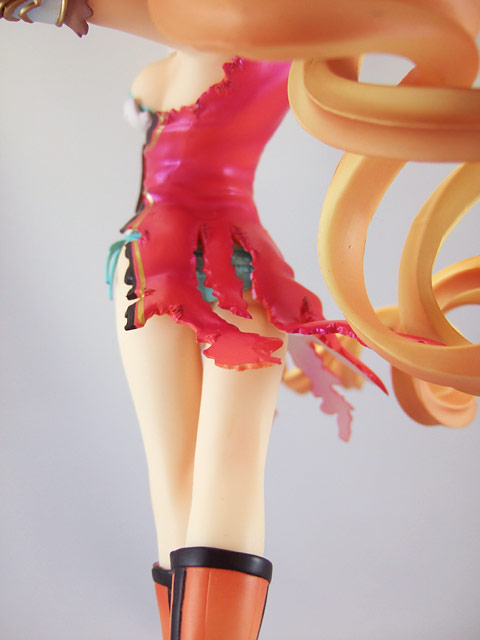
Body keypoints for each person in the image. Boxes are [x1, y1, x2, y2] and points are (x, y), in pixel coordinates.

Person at [2, 1, 479, 638]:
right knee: (216, 474)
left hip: (152, 267)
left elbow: (160, 21)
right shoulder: (241, 32)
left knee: (179, 486)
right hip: (220, 269)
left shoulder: (241, 32)